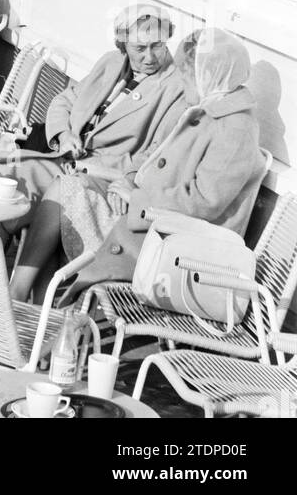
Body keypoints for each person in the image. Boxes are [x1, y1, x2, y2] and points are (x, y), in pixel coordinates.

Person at [62, 27, 267, 296]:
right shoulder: (204, 108)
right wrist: (128, 179)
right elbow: (155, 155)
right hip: (149, 217)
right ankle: (33, 293)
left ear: (209, 76)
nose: (182, 84)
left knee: (71, 194)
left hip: (176, 244)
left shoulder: (235, 129)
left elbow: (205, 202)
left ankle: (39, 298)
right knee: (71, 187)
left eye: (187, 76)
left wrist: (138, 197)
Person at [7, 3, 185, 300]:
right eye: (139, 48)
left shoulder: (174, 87)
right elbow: (64, 101)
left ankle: (17, 294)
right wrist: (64, 135)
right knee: (7, 180)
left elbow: (155, 155)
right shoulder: (111, 63)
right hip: (64, 157)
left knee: (56, 192)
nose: (150, 56)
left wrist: (93, 166)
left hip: (100, 174)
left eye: (157, 46)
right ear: (122, 43)